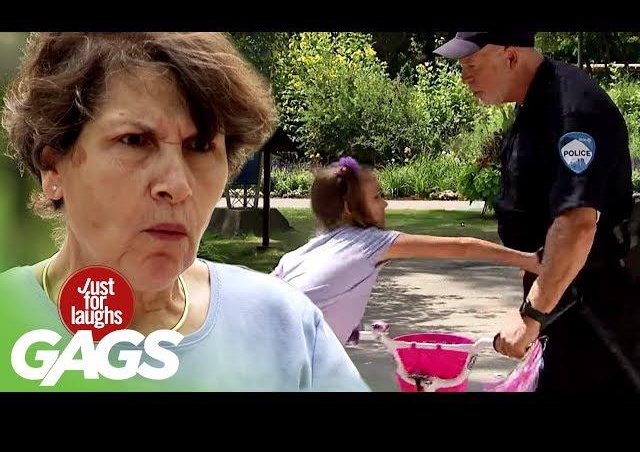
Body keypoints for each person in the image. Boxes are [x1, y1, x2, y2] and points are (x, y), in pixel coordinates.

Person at [0, 32, 369, 392]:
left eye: (200, 145)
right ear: (53, 168)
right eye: (134, 140)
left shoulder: (284, 327)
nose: (178, 185)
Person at [434, 31, 640, 391]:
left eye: (471, 64)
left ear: (511, 56)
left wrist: (532, 315)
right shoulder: (533, 104)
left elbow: (577, 224)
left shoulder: (572, 109)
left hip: (596, 315)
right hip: (563, 306)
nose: (464, 76)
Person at [272, 157, 541, 345]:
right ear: (348, 209)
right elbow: (463, 247)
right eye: (377, 197)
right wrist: (529, 261)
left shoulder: (299, 255)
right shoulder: (372, 242)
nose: (386, 204)